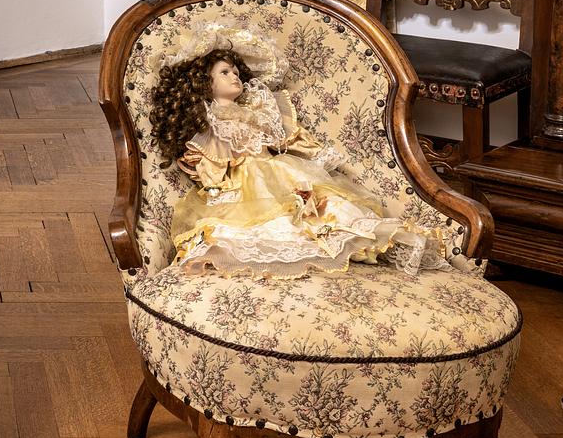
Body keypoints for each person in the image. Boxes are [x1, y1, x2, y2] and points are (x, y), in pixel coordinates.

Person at [151, 23, 444, 278]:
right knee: (267, 225)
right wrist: (212, 179)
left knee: (326, 206)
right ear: (204, 82)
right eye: (224, 72)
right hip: (246, 186)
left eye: (236, 71)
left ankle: (369, 239)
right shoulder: (210, 121)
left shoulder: (260, 110)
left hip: (281, 171)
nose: (234, 77)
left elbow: (289, 140)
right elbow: (211, 162)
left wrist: (318, 155)